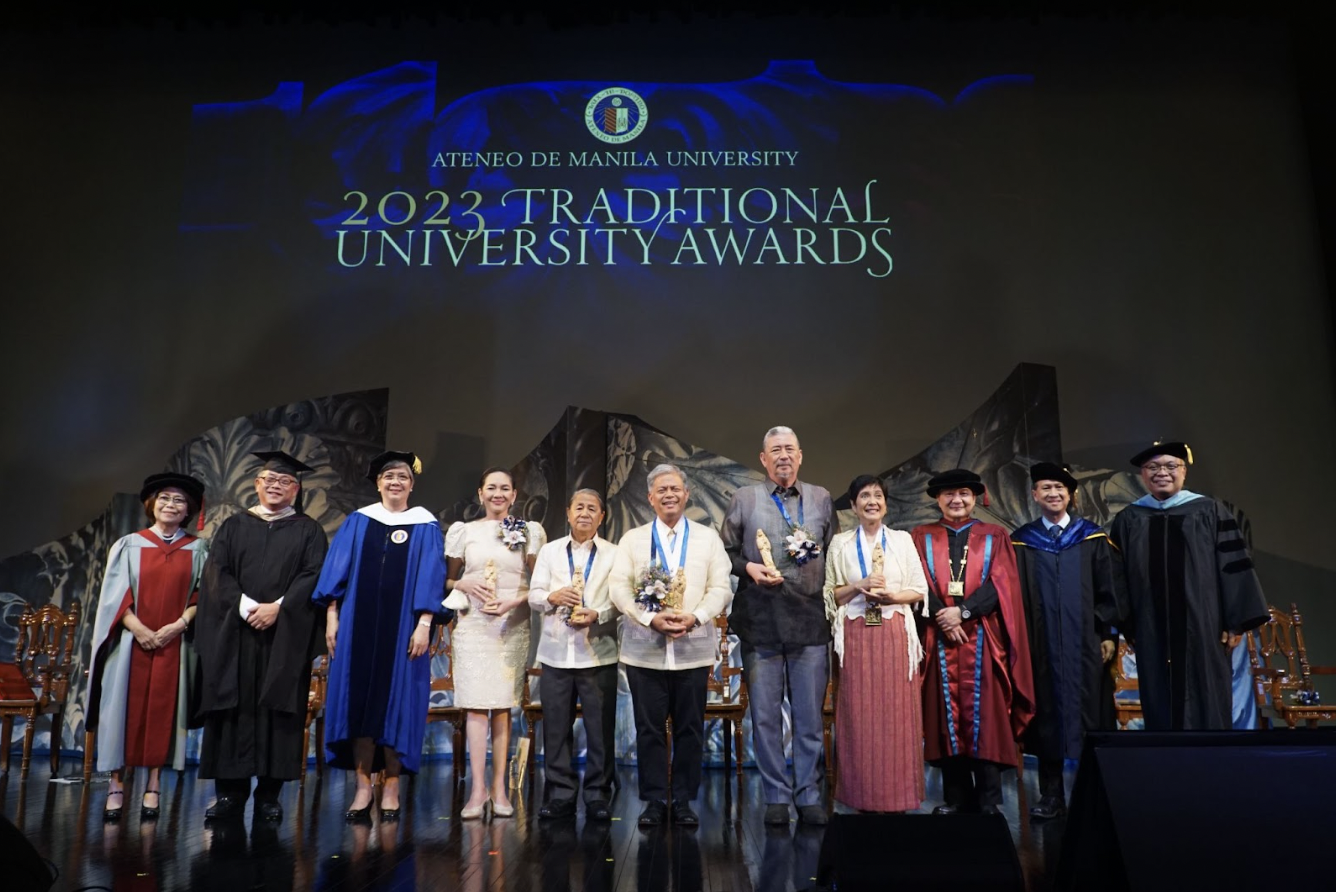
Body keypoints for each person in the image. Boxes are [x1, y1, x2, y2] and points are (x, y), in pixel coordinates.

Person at [314, 450, 448, 822]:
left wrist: (424, 623)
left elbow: (431, 577)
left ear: (412, 484)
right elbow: (336, 573)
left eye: (402, 477)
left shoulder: (426, 525)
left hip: (405, 629)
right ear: (378, 483)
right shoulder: (359, 522)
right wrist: (331, 617)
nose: (395, 482)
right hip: (356, 626)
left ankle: (391, 785)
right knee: (358, 703)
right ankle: (362, 787)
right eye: (388, 476)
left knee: (398, 702)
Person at [194, 451, 328, 823]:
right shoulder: (235, 526)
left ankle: (270, 795)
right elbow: (217, 572)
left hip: (283, 637)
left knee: (279, 708)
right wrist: (245, 604)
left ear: (296, 489)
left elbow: (314, 574)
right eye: (269, 479)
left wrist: (279, 608)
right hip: (235, 633)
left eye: (284, 481)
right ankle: (229, 795)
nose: (275, 486)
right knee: (231, 707)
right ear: (256, 484)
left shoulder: (308, 530)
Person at [1108, 442, 1269, 730]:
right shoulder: (1129, 518)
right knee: (1158, 695)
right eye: (1153, 468)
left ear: (1184, 471)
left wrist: (1234, 623)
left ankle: (1212, 764)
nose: (1162, 473)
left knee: (1205, 689)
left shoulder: (1209, 511)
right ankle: (1166, 764)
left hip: (1203, 624)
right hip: (1151, 626)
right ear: (1143, 475)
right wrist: (1128, 623)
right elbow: (1117, 577)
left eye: (1171, 466)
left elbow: (1232, 567)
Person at [721, 426, 837, 825]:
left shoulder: (821, 498)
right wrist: (749, 567)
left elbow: (832, 552)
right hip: (761, 620)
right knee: (766, 717)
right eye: (776, 450)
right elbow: (727, 552)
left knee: (808, 717)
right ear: (763, 458)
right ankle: (775, 795)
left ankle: (808, 795)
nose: (783, 456)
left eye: (789, 449)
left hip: (808, 622)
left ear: (800, 456)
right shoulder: (744, 498)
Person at [608, 463, 733, 827]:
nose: (669, 494)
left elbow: (720, 587)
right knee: (647, 728)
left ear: (686, 494)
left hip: (693, 648)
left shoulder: (707, 539)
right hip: (644, 650)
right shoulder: (633, 539)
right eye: (661, 489)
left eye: (675, 488)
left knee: (690, 727)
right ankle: (653, 800)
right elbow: (618, 587)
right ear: (650, 498)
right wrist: (649, 619)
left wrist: (696, 616)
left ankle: (682, 799)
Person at [911, 469, 1034, 815]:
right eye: (949, 494)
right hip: (939, 639)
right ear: (938, 499)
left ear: (976, 497)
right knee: (944, 717)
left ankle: (990, 800)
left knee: (987, 718)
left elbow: (1002, 585)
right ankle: (956, 797)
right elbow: (915, 580)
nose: (956, 500)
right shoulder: (921, 536)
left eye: (964, 493)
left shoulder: (994, 535)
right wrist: (942, 616)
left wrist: (962, 613)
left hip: (981, 637)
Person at [86, 472, 208, 821]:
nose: (171, 505)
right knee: (122, 710)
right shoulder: (129, 544)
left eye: (179, 500)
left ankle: (153, 785)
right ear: (151, 504)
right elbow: (114, 597)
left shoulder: (198, 549)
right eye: (165, 498)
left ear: (188, 511)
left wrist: (178, 625)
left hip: (175, 643)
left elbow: (203, 594)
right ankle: (115, 784)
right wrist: (139, 629)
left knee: (163, 712)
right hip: (130, 643)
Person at [1011, 462, 1122, 820]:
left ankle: (1094, 791)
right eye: (1045, 488)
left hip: (1086, 646)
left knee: (1092, 714)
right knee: (1046, 718)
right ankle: (1051, 795)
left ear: (1070, 494)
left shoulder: (1091, 537)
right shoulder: (1022, 542)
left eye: (1059, 488)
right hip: (1039, 647)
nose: (1053, 494)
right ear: (1034, 495)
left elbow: (1109, 590)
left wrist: (1108, 634)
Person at [444, 467, 547, 819]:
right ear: (480, 493)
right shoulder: (464, 532)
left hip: (511, 625)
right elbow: (445, 580)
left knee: (502, 707)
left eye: (505, 488)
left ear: (514, 495)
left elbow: (540, 583)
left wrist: (513, 601)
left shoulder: (528, 532)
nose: (498, 494)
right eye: (491, 488)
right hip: (473, 624)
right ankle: (477, 790)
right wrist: (463, 585)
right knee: (475, 706)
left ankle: (500, 788)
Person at [822, 474, 929, 813]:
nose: (872, 501)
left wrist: (892, 596)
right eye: (864, 496)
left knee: (896, 714)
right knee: (858, 713)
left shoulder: (902, 539)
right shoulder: (840, 543)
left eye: (878, 495)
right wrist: (860, 585)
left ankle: (899, 796)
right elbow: (831, 595)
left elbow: (919, 590)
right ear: (853, 506)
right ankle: (859, 795)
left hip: (895, 632)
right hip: (855, 634)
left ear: (885, 503)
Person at [527, 488, 620, 821]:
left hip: (598, 654)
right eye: (578, 506)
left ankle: (597, 795)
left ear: (601, 517)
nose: (585, 512)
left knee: (600, 729)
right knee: (556, 728)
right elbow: (534, 596)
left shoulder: (614, 554)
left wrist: (599, 613)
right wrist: (552, 596)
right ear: (567, 513)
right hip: (555, 653)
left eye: (592, 508)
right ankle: (562, 794)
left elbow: (621, 602)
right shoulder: (550, 552)